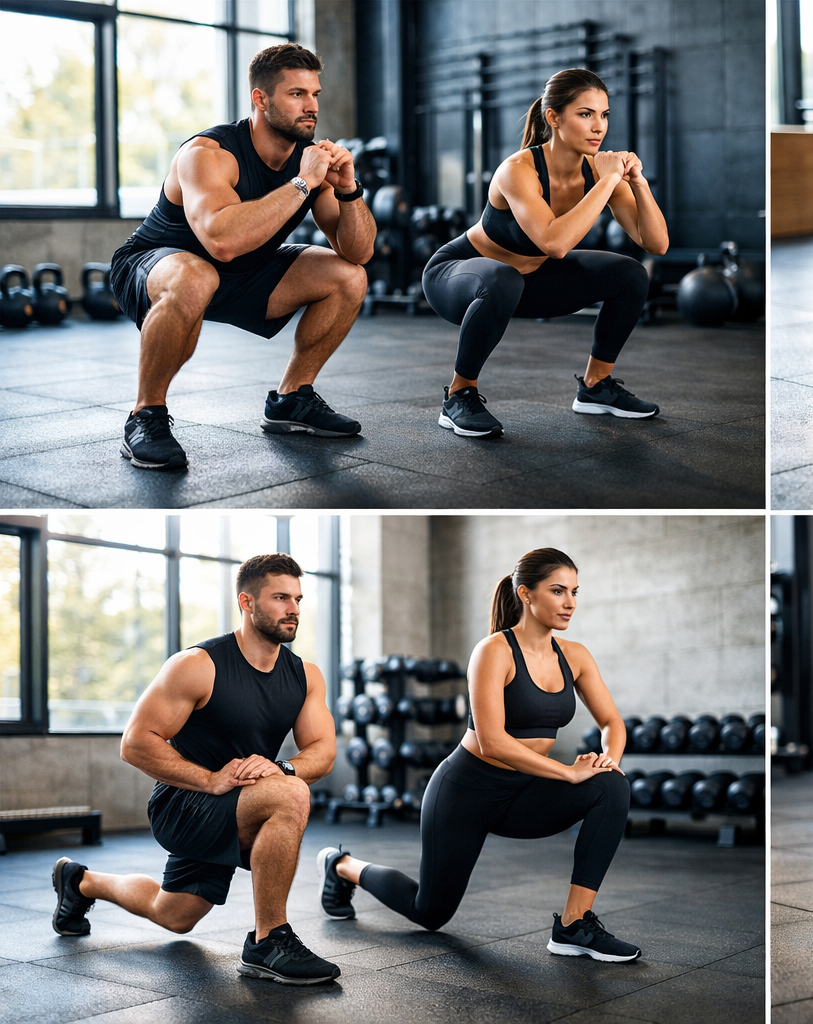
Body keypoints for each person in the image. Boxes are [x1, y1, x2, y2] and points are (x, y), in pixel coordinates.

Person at [314, 548, 640, 961]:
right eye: (558, 591)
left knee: (611, 785)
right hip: (464, 794)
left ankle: (574, 925)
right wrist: (568, 772)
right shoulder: (494, 651)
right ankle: (341, 866)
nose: (570, 602)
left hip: (522, 793)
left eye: (575, 591)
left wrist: (607, 759)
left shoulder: (575, 657)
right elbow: (493, 741)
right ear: (526, 594)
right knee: (430, 913)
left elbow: (613, 723)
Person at [50, 554, 341, 984]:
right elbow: (135, 743)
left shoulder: (305, 675)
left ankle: (80, 882)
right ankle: (267, 942)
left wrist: (281, 766)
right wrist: (210, 778)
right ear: (247, 601)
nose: (293, 608)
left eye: (298, 598)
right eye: (280, 597)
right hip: (185, 804)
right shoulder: (199, 665)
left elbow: (323, 751)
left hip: (242, 801)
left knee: (174, 915)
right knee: (292, 795)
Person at [109, 43, 374, 471]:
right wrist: (304, 183)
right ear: (260, 98)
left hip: (241, 270)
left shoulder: (311, 164)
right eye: (296, 94)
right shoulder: (208, 154)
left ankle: (291, 399)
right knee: (196, 276)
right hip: (158, 263)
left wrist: (347, 189)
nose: (311, 107)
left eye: (315, 94)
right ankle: (146, 415)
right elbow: (222, 242)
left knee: (348, 276)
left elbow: (359, 252)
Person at [420, 68, 669, 439]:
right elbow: (554, 243)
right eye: (585, 114)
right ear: (553, 117)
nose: (598, 126)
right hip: (457, 278)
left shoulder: (598, 174)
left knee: (630, 273)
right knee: (502, 277)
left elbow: (657, 244)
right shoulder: (517, 170)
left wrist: (638, 183)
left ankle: (595, 386)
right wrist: (607, 182)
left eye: (604, 115)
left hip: (525, 283)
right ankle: (459, 396)